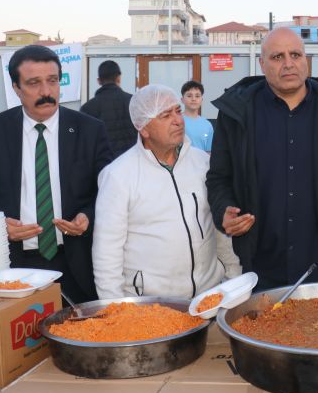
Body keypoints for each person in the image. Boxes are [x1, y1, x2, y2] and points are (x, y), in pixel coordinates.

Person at [206, 27, 318, 290]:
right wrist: (224, 211)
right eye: (277, 57)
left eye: (295, 55)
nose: (288, 64)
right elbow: (219, 178)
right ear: (262, 63)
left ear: (306, 59)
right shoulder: (236, 114)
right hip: (261, 266)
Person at [0, 45, 113, 303]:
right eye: (33, 83)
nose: (46, 92)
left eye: (52, 81)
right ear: (16, 88)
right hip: (14, 267)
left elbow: (110, 190)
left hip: (77, 265)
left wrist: (88, 216)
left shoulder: (90, 130)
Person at [92, 84, 240, 299]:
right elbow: (107, 253)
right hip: (152, 308)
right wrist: (116, 309)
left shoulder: (204, 163)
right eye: (165, 115)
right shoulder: (118, 176)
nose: (178, 120)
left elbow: (220, 228)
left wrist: (233, 276)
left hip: (209, 298)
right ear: (143, 127)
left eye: (178, 111)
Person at [80, 60, 137, 158]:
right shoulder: (134, 102)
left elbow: (84, 144)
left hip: (103, 166)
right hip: (133, 163)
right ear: (118, 78)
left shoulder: (87, 108)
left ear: (99, 81)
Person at [181, 80, 215, 152]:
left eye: (197, 96)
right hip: (180, 163)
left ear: (201, 100)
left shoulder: (207, 125)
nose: (193, 99)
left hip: (202, 162)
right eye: (189, 96)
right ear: (182, 100)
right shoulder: (176, 121)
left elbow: (209, 151)